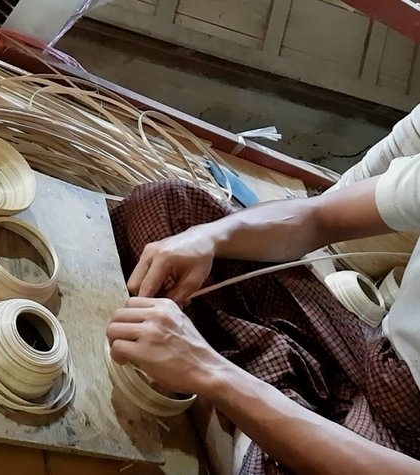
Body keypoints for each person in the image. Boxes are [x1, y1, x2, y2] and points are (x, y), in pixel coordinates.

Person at [106, 106, 420, 475]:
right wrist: (207, 237)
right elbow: (317, 217)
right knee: (169, 209)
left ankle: (267, 395)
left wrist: (210, 372)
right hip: (378, 360)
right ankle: (279, 390)